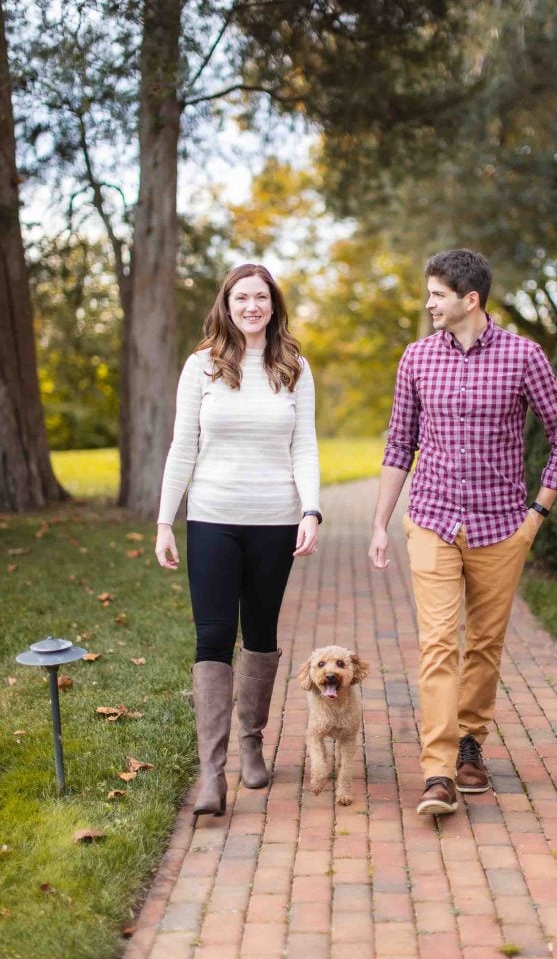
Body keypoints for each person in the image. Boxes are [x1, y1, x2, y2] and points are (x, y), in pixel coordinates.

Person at [368, 249, 557, 817]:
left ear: (471, 299)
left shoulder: (523, 357)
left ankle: (470, 745)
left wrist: (538, 515)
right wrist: (380, 523)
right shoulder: (416, 359)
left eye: (438, 294)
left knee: (484, 644)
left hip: (502, 526)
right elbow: (399, 444)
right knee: (439, 643)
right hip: (433, 519)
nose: (429, 303)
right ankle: (437, 772)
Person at [155, 263, 321, 816]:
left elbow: (306, 447)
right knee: (212, 636)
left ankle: (252, 742)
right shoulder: (201, 367)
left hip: (275, 518)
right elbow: (183, 446)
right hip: (212, 517)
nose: (251, 306)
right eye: (241, 297)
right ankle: (211, 773)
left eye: (261, 297)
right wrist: (164, 520)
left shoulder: (293, 367)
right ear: (226, 305)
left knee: (261, 632)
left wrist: (311, 510)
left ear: (274, 305)